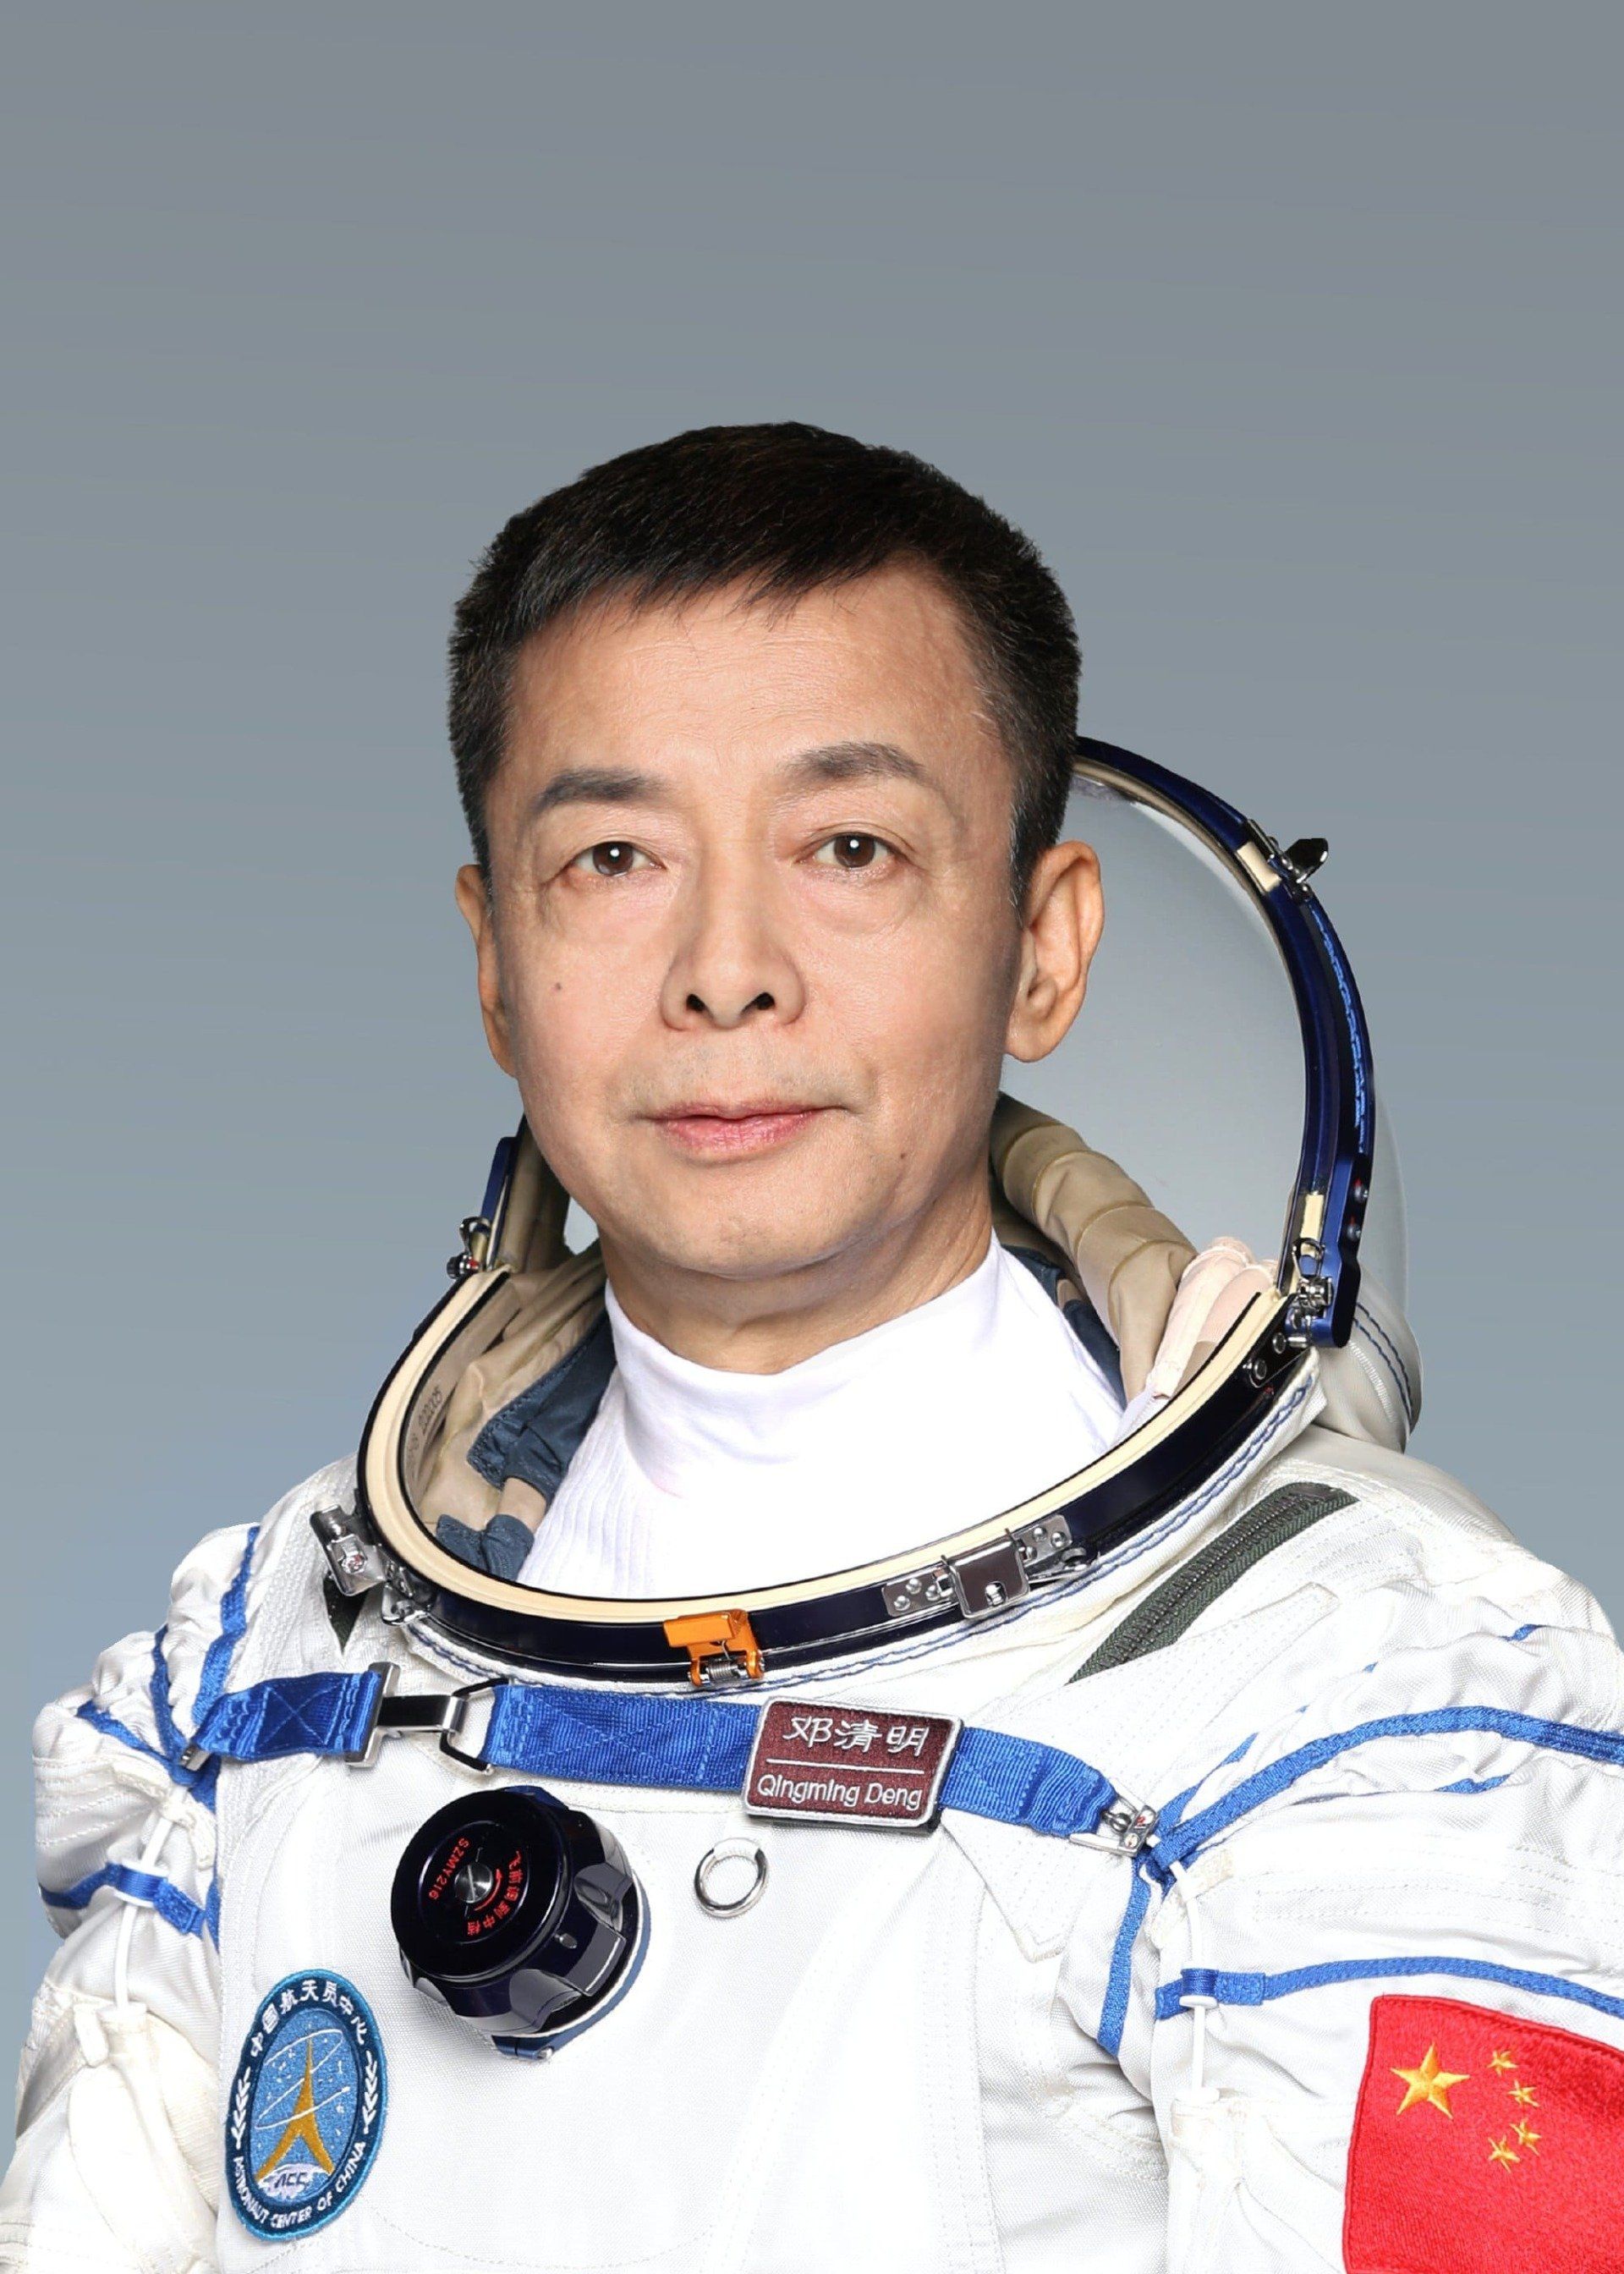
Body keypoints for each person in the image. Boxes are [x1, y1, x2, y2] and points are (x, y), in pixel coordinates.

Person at [3, 423, 1620, 2274]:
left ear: (1042, 948)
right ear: (495, 961)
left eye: (851, 848)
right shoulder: (278, 1653)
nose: (727, 970)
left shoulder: (1350, 1691)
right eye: (613, 857)